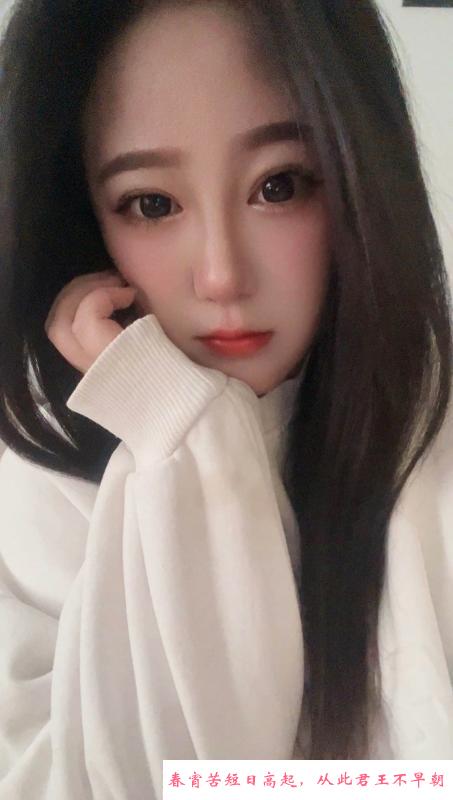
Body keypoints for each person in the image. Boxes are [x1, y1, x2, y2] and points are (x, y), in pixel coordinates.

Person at [0, 0, 452, 796]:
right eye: (151, 203)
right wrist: (183, 432)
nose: (220, 276)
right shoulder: (39, 478)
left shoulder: (433, 442)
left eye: (279, 185)